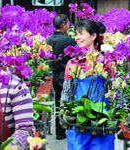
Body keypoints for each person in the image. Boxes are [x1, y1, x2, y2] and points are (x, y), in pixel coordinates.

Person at [61, 19, 115, 150]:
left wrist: (118, 113)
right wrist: (63, 111)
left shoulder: (106, 61)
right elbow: (67, 91)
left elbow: (116, 90)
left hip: (101, 119)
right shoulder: (73, 63)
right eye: (76, 34)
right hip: (78, 119)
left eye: (81, 33)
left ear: (93, 36)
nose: (77, 37)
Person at [47, 14, 76, 140]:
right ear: (64, 24)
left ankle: (60, 133)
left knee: (58, 102)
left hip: (55, 75)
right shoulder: (68, 40)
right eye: (68, 23)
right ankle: (70, 129)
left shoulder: (49, 39)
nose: (69, 26)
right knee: (70, 102)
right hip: (67, 74)